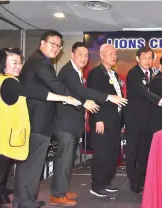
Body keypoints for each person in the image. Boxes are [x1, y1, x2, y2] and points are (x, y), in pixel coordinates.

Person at [0, 46, 80, 208]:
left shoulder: (10, 81)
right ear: (3, 64)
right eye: (13, 62)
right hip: (3, 141)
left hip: (9, 140)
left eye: (20, 62)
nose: (18, 66)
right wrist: (66, 98)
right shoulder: (8, 82)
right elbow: (36, 93)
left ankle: (22, 202)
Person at [51, 42, 127, 205]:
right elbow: (86, 93)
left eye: (86, 55)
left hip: (79, 122)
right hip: (67, 122)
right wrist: (100, 113)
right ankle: (59, 193)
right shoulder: (75, 72)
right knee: (66, 159)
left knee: (69, 160)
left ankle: (63, 190)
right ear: (72, 55)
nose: (84, 58)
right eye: (80, 54)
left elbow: (80, 93)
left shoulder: (82, 72)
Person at [125, 47, 162, 194]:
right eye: (144, 57)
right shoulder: (134, 74)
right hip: (134, 120)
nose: (148, 60)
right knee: (133, 152)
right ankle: (133, 183)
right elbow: (144, 93)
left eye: (150, 58)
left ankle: (143, 180)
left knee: (144, 152)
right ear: (137, 59)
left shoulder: (151, 73)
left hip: (147, 121)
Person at [87, 44, 128, 197]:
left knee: (111, 153)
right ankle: (96, 185)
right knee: (101, 153)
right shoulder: (95, 74)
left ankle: (106, 181)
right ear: (102, 56)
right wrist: (98, 119)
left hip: (115, 120)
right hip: (102, 120)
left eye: (115, 54)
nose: (114, 56)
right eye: (110, 53)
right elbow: (93, 96)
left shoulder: (114, 74)